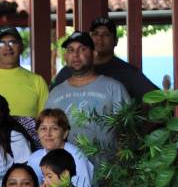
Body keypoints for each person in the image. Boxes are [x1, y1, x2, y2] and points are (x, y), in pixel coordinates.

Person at [45, 31, 130, 159]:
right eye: (71, 50)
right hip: (66, 174)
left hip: (105, 173)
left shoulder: (114, 88)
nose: (76, 55)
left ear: (94, 54)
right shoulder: (55, 93)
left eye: (82, 49)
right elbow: (46, 133)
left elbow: (128, 131)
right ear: (66, 56)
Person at [52, 16, 157, 102]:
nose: (99, 38)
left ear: (115, 41)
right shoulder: (68, 71)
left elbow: (157, 100)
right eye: (95, 34)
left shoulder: (128, 72)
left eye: (106, 34)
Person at [27, 109, 93, 187]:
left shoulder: (77, 156)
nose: (48, 134)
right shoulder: (34, 158)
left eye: (54, 128)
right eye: (43, 129)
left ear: (65, 133)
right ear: (37, 132)